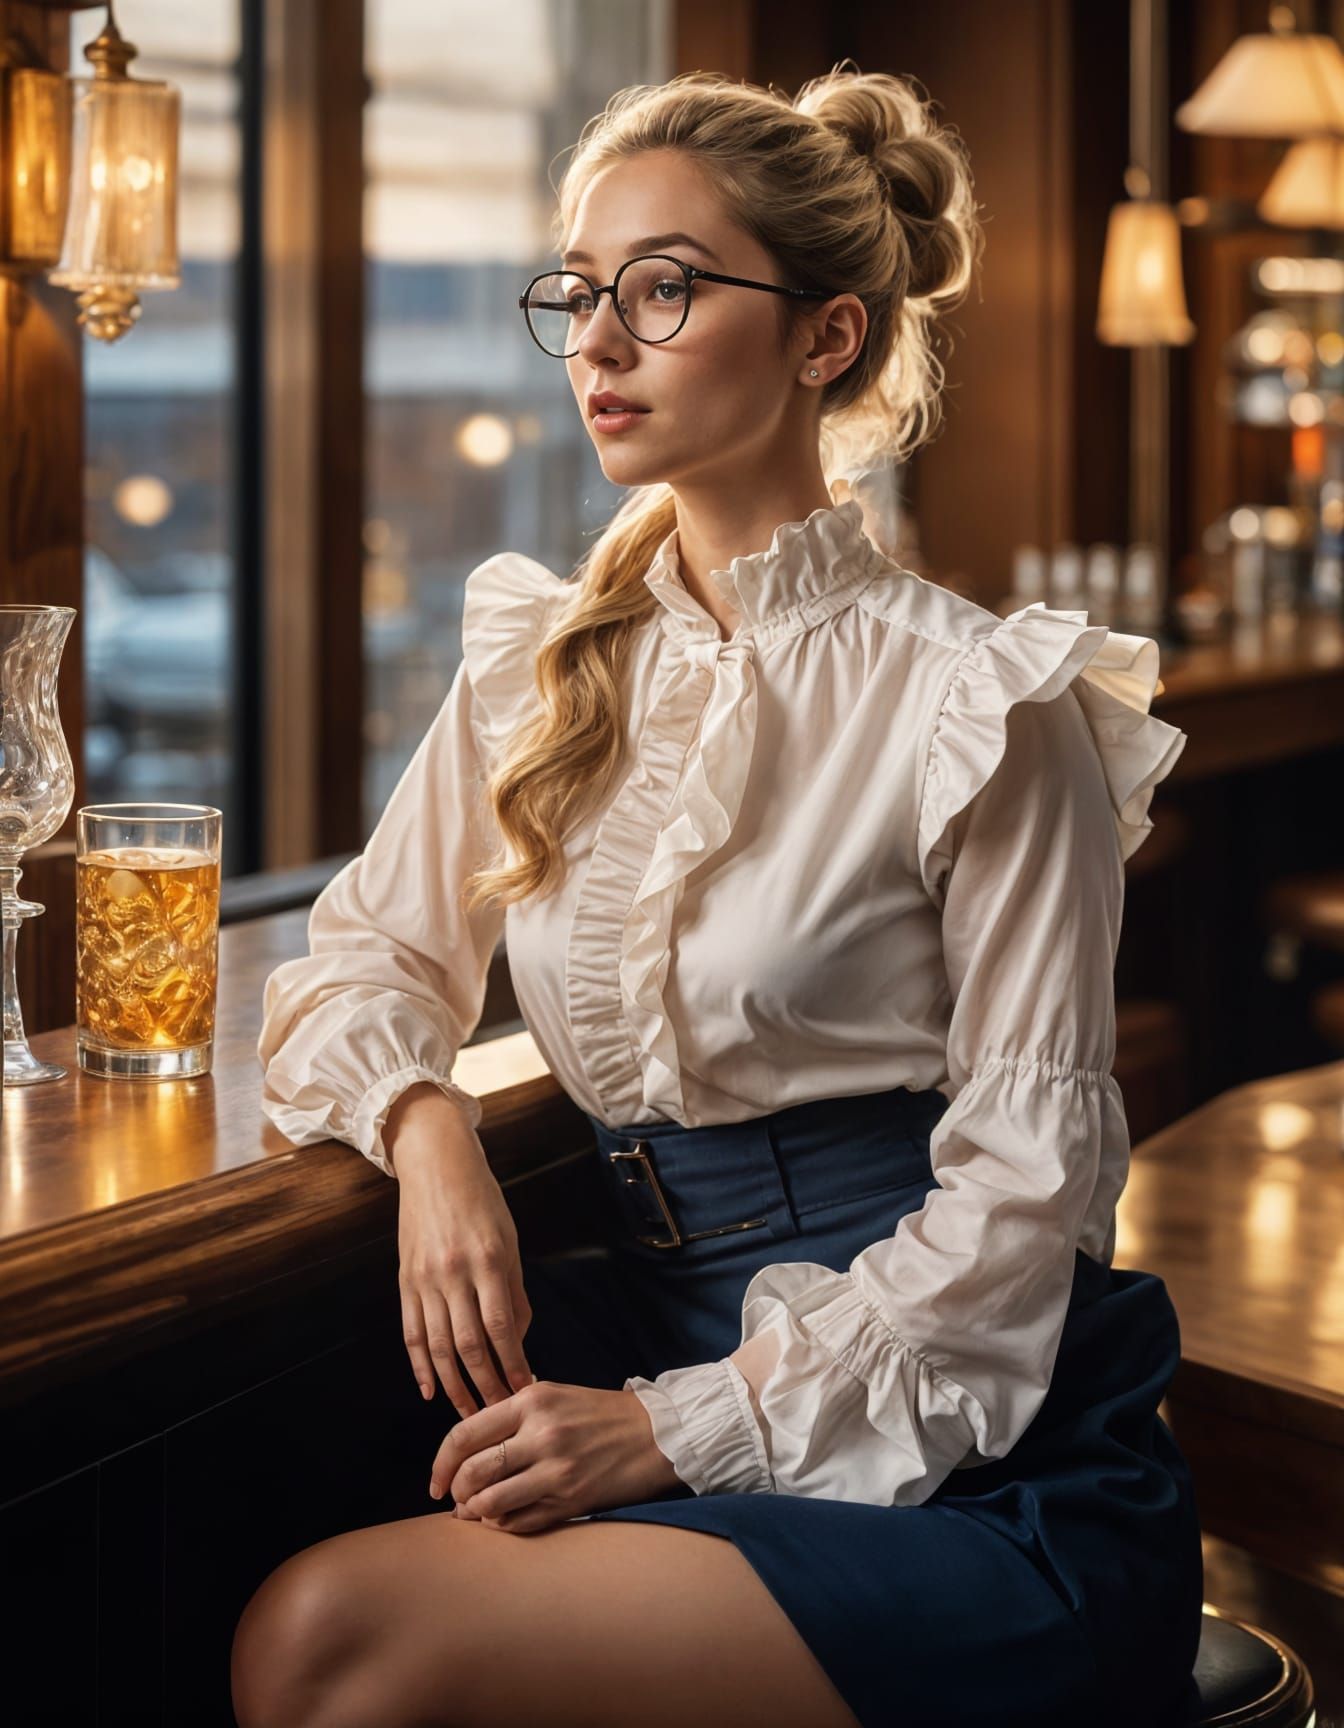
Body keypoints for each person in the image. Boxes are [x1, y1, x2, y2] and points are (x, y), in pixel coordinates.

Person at [232, 61, 1204, 1728]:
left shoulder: (984, 704)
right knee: (221, 1523)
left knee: (327, 1639)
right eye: (581, 294)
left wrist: (675, 1429)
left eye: (664, 290)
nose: (599, 345)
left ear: (828, 336)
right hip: (633, 1318)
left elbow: (1026, 1209)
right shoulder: (546, 663)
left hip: (972, 1445)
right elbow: (359, 961)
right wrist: (428, 1130)